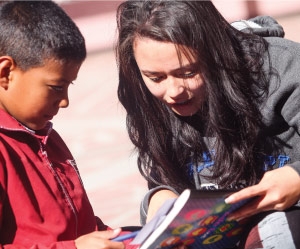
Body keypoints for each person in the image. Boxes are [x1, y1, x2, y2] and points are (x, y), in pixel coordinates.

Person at [115, 1, 300, 248]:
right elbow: (165, 180)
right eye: (156, 77)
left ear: (217, 54)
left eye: (188, 73)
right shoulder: (145, 98)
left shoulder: (282, 68)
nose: (174, 92)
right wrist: (160, 197)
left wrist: (296, 178)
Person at [0, 1, 138, 249]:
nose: (64, 102)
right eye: (56, 87)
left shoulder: (45, 136)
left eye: (68, 86)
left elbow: (82, 229)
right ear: (5, 72)